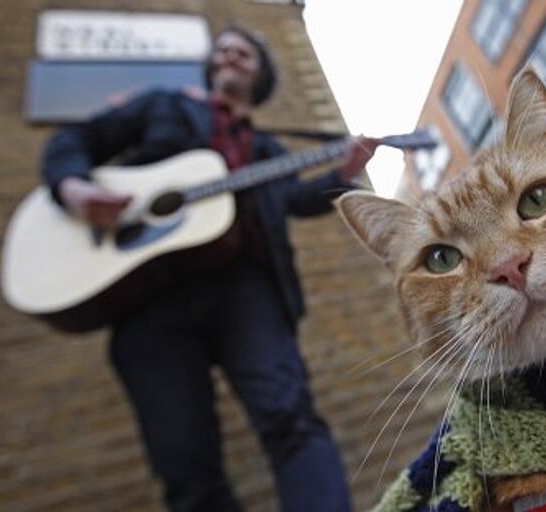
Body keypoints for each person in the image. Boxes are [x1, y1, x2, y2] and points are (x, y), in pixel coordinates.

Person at [41, 25, 378, 512]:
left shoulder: (269, 151)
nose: (230, 55)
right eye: (222, 49)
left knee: (293, 421)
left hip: (247, 290)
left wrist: (345, 172)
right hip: (147, 298)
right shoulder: (162, 105)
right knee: (185, 467)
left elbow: (299, 199)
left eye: (243, 51)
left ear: (259, 73)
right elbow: (75, 140)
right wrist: (74, 188)